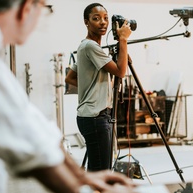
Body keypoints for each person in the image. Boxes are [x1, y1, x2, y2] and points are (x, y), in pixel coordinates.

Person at [0, 0, 137, 193]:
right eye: (45, 11)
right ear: (27, 7)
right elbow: (17, 127)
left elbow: (29, 118)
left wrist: (81, 176)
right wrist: (78, 188)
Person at [65, 3, 132, 171]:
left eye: (105, 18)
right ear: (86, 22)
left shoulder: (84, 45)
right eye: (96, 19)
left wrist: (90, 87)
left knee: (97, 168)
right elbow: (120, 71)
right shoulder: (91, 47)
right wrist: (123, 40)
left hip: (91, 116)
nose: (103, 22)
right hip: (96, 117)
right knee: (101, 172)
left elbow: (70, 77)